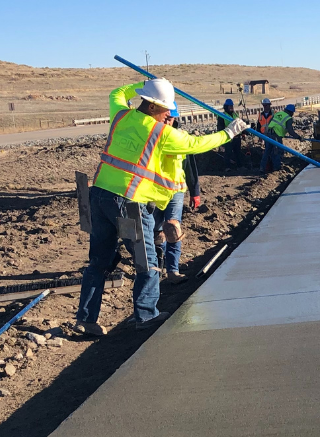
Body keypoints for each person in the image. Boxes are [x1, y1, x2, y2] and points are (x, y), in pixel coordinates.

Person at [74, 78, 247, 335]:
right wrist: (229, 133)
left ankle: (86, 320)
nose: (169, 114)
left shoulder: (121, 116)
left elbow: (117, 93)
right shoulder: (160, 133)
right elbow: (196, 144)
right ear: (153, 106)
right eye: (166, 108)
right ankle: (146, 315)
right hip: (128, 202)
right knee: (147, 261)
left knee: (98, 262)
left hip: (99, 197)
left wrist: (143, 84)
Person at [152, 104, 201, 284]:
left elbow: (190, 167)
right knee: (156, 232)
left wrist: (195, 192)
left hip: (176, 192)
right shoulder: (151, 137)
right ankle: (157, 268)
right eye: (165, 118)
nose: (167, 122)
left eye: (170, 118)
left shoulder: (181, 138)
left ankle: (173, 271)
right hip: (154, 192)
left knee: (173, 229)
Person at [261, 104, 299, 174]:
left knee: (267, 151)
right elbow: (291, 131)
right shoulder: (288, 118)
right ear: (291, 112)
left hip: (269, 134)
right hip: (276, 136)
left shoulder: (278, 113)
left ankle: (262, 168)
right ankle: (276, 168)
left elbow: (270, 122)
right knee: (278, 151)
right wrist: (298, 137)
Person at [218, 98, 242, 168]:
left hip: (237, 137)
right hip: (228, 138)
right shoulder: (222, 116)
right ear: (226, 107)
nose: (231, 107)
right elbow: (220, 127)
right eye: (230, 106)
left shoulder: (235, 115)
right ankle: (227, 167)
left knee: (238, 153)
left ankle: (239, 166)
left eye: (232, 106)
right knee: (228, 153)